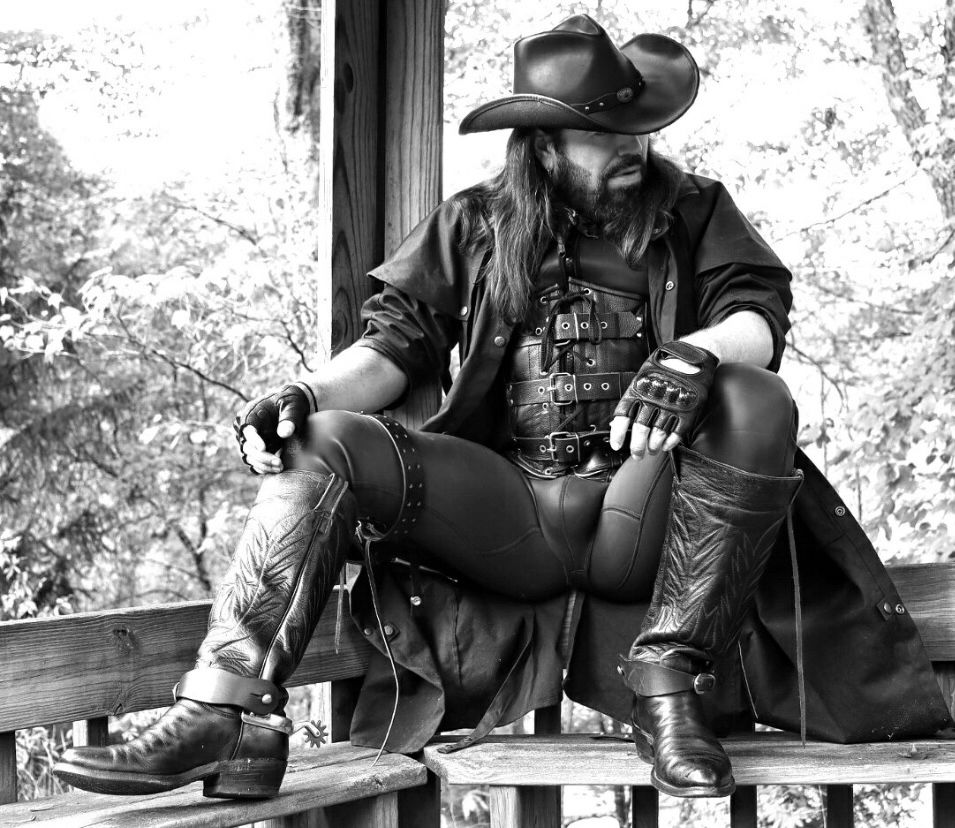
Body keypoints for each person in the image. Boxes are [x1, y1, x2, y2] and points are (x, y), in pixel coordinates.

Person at [54, 14, 952, 802]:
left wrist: (695, 355)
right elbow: (393, 343)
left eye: (637, 125)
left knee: (753, 396)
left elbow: (757, 316)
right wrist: (304, 394)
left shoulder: (689, 209)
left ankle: (669, 682)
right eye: (601, 134)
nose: (630, 146)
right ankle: (224, 709)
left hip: (638, 512)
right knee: (324, 441)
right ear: (544, 143)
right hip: (509, 512)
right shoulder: (476, 223)